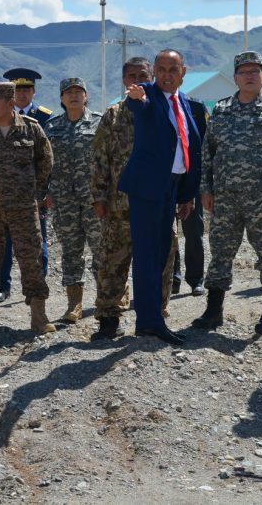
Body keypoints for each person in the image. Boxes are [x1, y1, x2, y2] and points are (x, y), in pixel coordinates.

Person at [194, 51, 262, 333]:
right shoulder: (222, 109)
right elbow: (208, 153)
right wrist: (206, 188)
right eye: (244, 71)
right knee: (220, 253)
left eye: (255, 71)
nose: (250, 76)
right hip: (225, 199)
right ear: (236, 77)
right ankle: (213, 311)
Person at [90, 58, 179, 340]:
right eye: (132, 76)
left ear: (152, 77)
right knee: (111, 263)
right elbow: (99, 159)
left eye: (143, 75)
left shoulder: (162, 109)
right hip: (120, 205)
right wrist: (99, 197)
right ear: (123, 80)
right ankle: (108, 318)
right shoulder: (114, 115)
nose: (138, 80)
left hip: (156, 204)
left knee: (160, 261)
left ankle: (155, 315)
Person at [118, 49, 202, 346]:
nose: (167, 74)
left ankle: (150, 318)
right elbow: (137, 105)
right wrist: (137, 97)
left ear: (183, 72)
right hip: (147, 189)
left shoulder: (185, 103)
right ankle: (149, 321)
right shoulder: (147, 96)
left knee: (161, 252)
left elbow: (191, 149)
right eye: (162, 69)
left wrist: (187, 194)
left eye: (173, 69)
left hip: (172, 187)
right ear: (154, 71)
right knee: (148, 256)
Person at [0, 82, 55, 334]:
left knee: (32, 259)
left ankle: (38, 316)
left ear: (9, 102)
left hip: (24, 208)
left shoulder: (31, 129)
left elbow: (45, 161)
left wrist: (34, 191)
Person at [43, 77, 103, 323]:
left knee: (101, 250)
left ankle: (106, 299)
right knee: (71, 252)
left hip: (93, 199)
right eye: (69, 92)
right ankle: (74, 304)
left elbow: (108, 159)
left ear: (86, 96)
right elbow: (44, 162)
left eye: (79, 91)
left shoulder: (100, 122)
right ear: (61, 98)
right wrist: (46, 192)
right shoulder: (52, 126)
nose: (74, 95)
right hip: (64, 199)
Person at [0, 67, 54, 302]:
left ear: (33, 91)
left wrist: (46, 190)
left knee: (37, 242)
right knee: (3, 243)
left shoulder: (45, 118)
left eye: (26, 89)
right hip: (5, 192)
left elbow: (49, 159)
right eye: (17, 89)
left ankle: (36, 287)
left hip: (34, 192)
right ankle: (3, 287)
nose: (22, 94)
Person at [171, 95, 209, 297]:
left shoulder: (195, 106)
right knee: (169, 232)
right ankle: (173, 279)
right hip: (167, 178)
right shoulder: (159, 105)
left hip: (191, 177)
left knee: (194, 230)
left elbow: (204, 145)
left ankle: (196, 279)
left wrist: (203, 183)